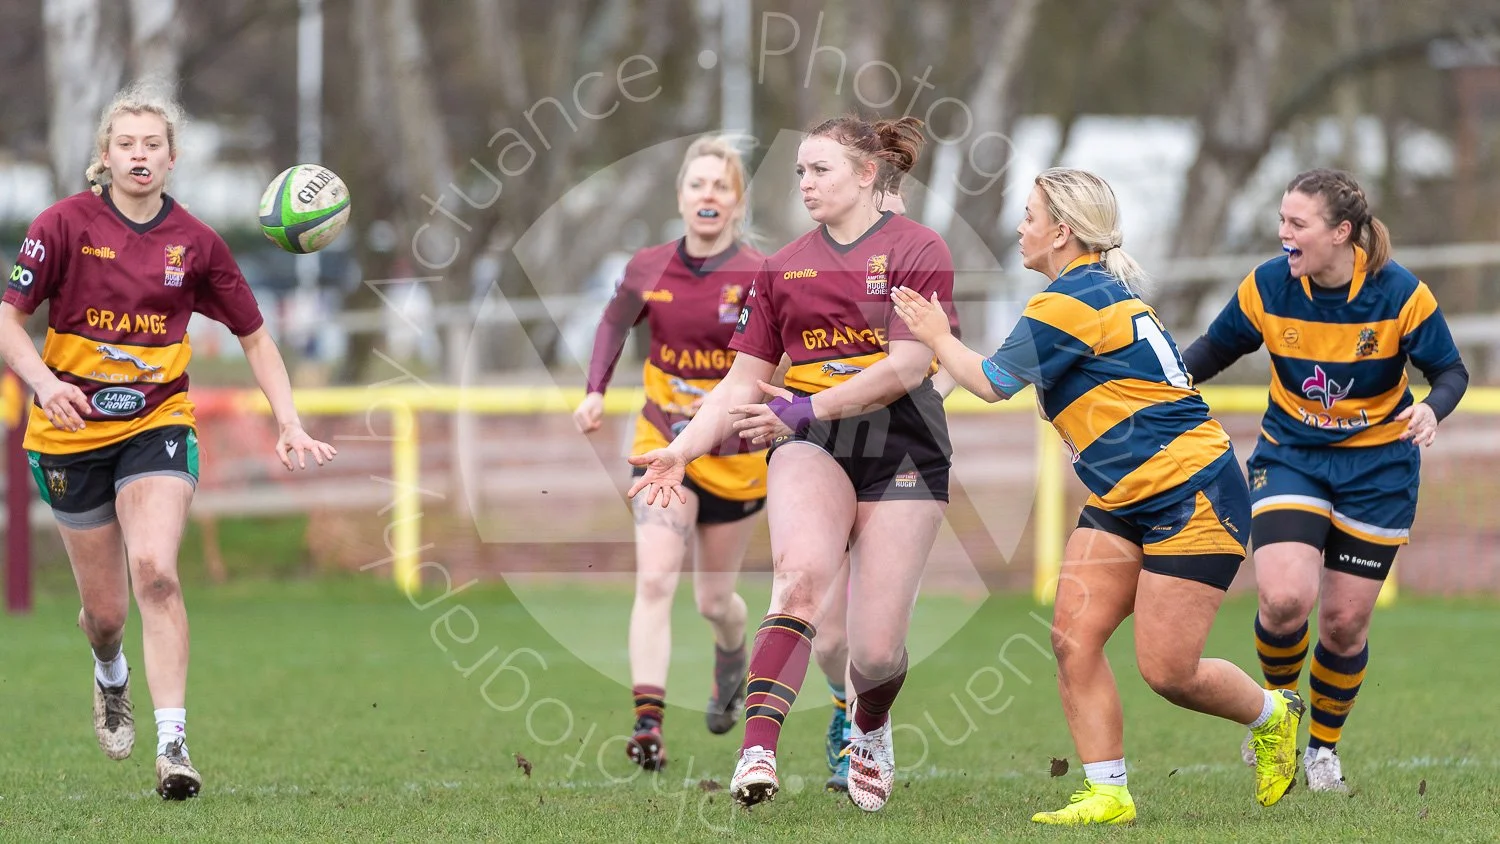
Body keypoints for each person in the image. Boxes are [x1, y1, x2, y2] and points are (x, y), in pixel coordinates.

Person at [891, 167, 1305, 825]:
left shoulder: (1069, 300)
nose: (1019, 228)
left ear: (1062, 231)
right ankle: (1108, 793)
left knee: (1170, 672)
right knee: (1071, 639)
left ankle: (1273, 713)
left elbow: (994, 383)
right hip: (1124, 497)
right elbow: (987, 378)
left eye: (1028, 216)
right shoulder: (1079, 294)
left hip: (1190, 491)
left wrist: (937, 337)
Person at [0, 80, 336, 800]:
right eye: (127, 144)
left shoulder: (198, 244)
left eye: (153, 144)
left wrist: (288, 420)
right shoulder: (60, 224)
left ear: (172, 157)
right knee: (106, 613)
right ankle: (110, 671)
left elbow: (254, 337)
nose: (140, 155)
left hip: (157, 423)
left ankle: (174, 745)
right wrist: (43, 384)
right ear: (107, 155)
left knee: (155, 570)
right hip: (67, 433)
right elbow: (8, 319)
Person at [631, 115, 956, 813]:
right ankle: (758, 751)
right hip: (812, 447)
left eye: (821, 170)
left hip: (903, 449)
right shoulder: (783, 267)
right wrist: (682, 449)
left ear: (867, 174)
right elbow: (741, 383)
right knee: (799, 582)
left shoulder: (916, 247)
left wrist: (809, 406)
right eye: (800, 171)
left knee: (871, 654)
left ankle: (869, 725)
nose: (805, 183)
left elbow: (907, 364)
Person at [574, 135, 853, 785]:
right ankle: (647, 721)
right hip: (663, 445)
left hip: (735, 457)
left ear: (737, 202)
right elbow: (612, 326)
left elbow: (779, 356)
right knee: (654, 581)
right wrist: (593, 391)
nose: (708, 195)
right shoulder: (648, 266)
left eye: (720, 186)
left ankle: (731, 657)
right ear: (680, 197)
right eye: (697, 184)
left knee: (714, 600)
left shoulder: (762, 270)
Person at [1181, 168, 1468, 793]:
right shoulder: (1267, 286)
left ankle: (1322, 753)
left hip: (1380, 471)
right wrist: (1154, 386)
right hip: (1293, 457)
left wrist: (1429, 408)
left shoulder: (1400, 294)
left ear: (1341, 233)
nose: (1283, 235)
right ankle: (1278, 719)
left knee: (1342, 623)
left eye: (1296, 224)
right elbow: (1211, 350)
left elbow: (1449, 371)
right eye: (1281, 220)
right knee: (1285, 601)